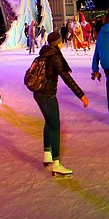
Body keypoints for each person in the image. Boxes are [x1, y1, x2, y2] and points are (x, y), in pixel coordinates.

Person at [33, 32, 89, 178]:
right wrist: (81, 95)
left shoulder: (44, 53)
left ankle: (47, 154)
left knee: (49, 122)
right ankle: (56, 164)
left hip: (38, 93)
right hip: (47, 95)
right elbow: (67, 77)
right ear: (58, 43)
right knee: (56, 126)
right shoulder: (55, 56)